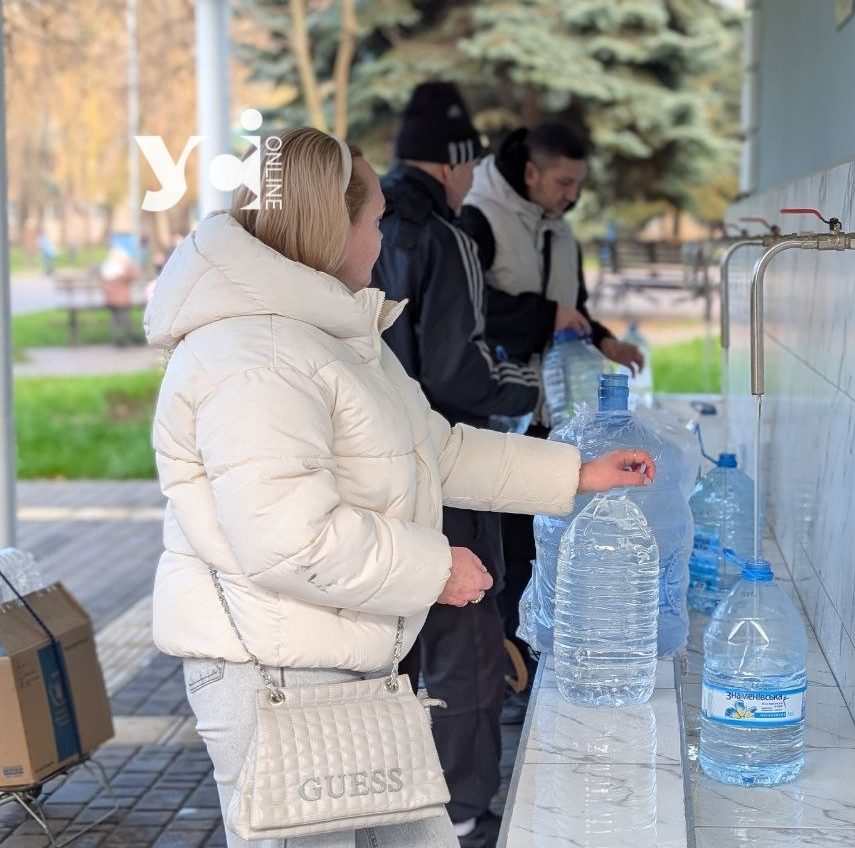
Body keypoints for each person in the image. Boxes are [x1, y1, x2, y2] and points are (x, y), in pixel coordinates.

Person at [144, 126, 656, 848]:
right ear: (332, 226)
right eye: (376, 220)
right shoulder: (253, 355)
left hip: (343, 661)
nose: (385, 241)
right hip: (275, 678)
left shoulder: (326, 336)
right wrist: (434, 567)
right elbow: (289, 536)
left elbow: (433, 451)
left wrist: (575, 473)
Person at [369, 82, 539, 848]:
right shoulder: (443, 238)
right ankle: (465, 811)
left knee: (391, 651)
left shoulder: (365, 226)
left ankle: (390, 802)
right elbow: (457, 375)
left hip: (368, 482)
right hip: (441, 471)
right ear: (457, 161)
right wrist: (530, 388)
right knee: (467, 651)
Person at [457, 120, 645, 723]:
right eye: (563, 181)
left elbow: (575, 311)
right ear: (532, 172)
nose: (571, 195)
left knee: (544, 546)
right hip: (494, 418)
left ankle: (535, 662)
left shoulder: (561, 232)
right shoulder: (479, 220)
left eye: (578, 184)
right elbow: (472, 313)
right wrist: (547, 316)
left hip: (550, 415)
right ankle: (505, 679)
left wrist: (607, 342)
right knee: (502, 553)